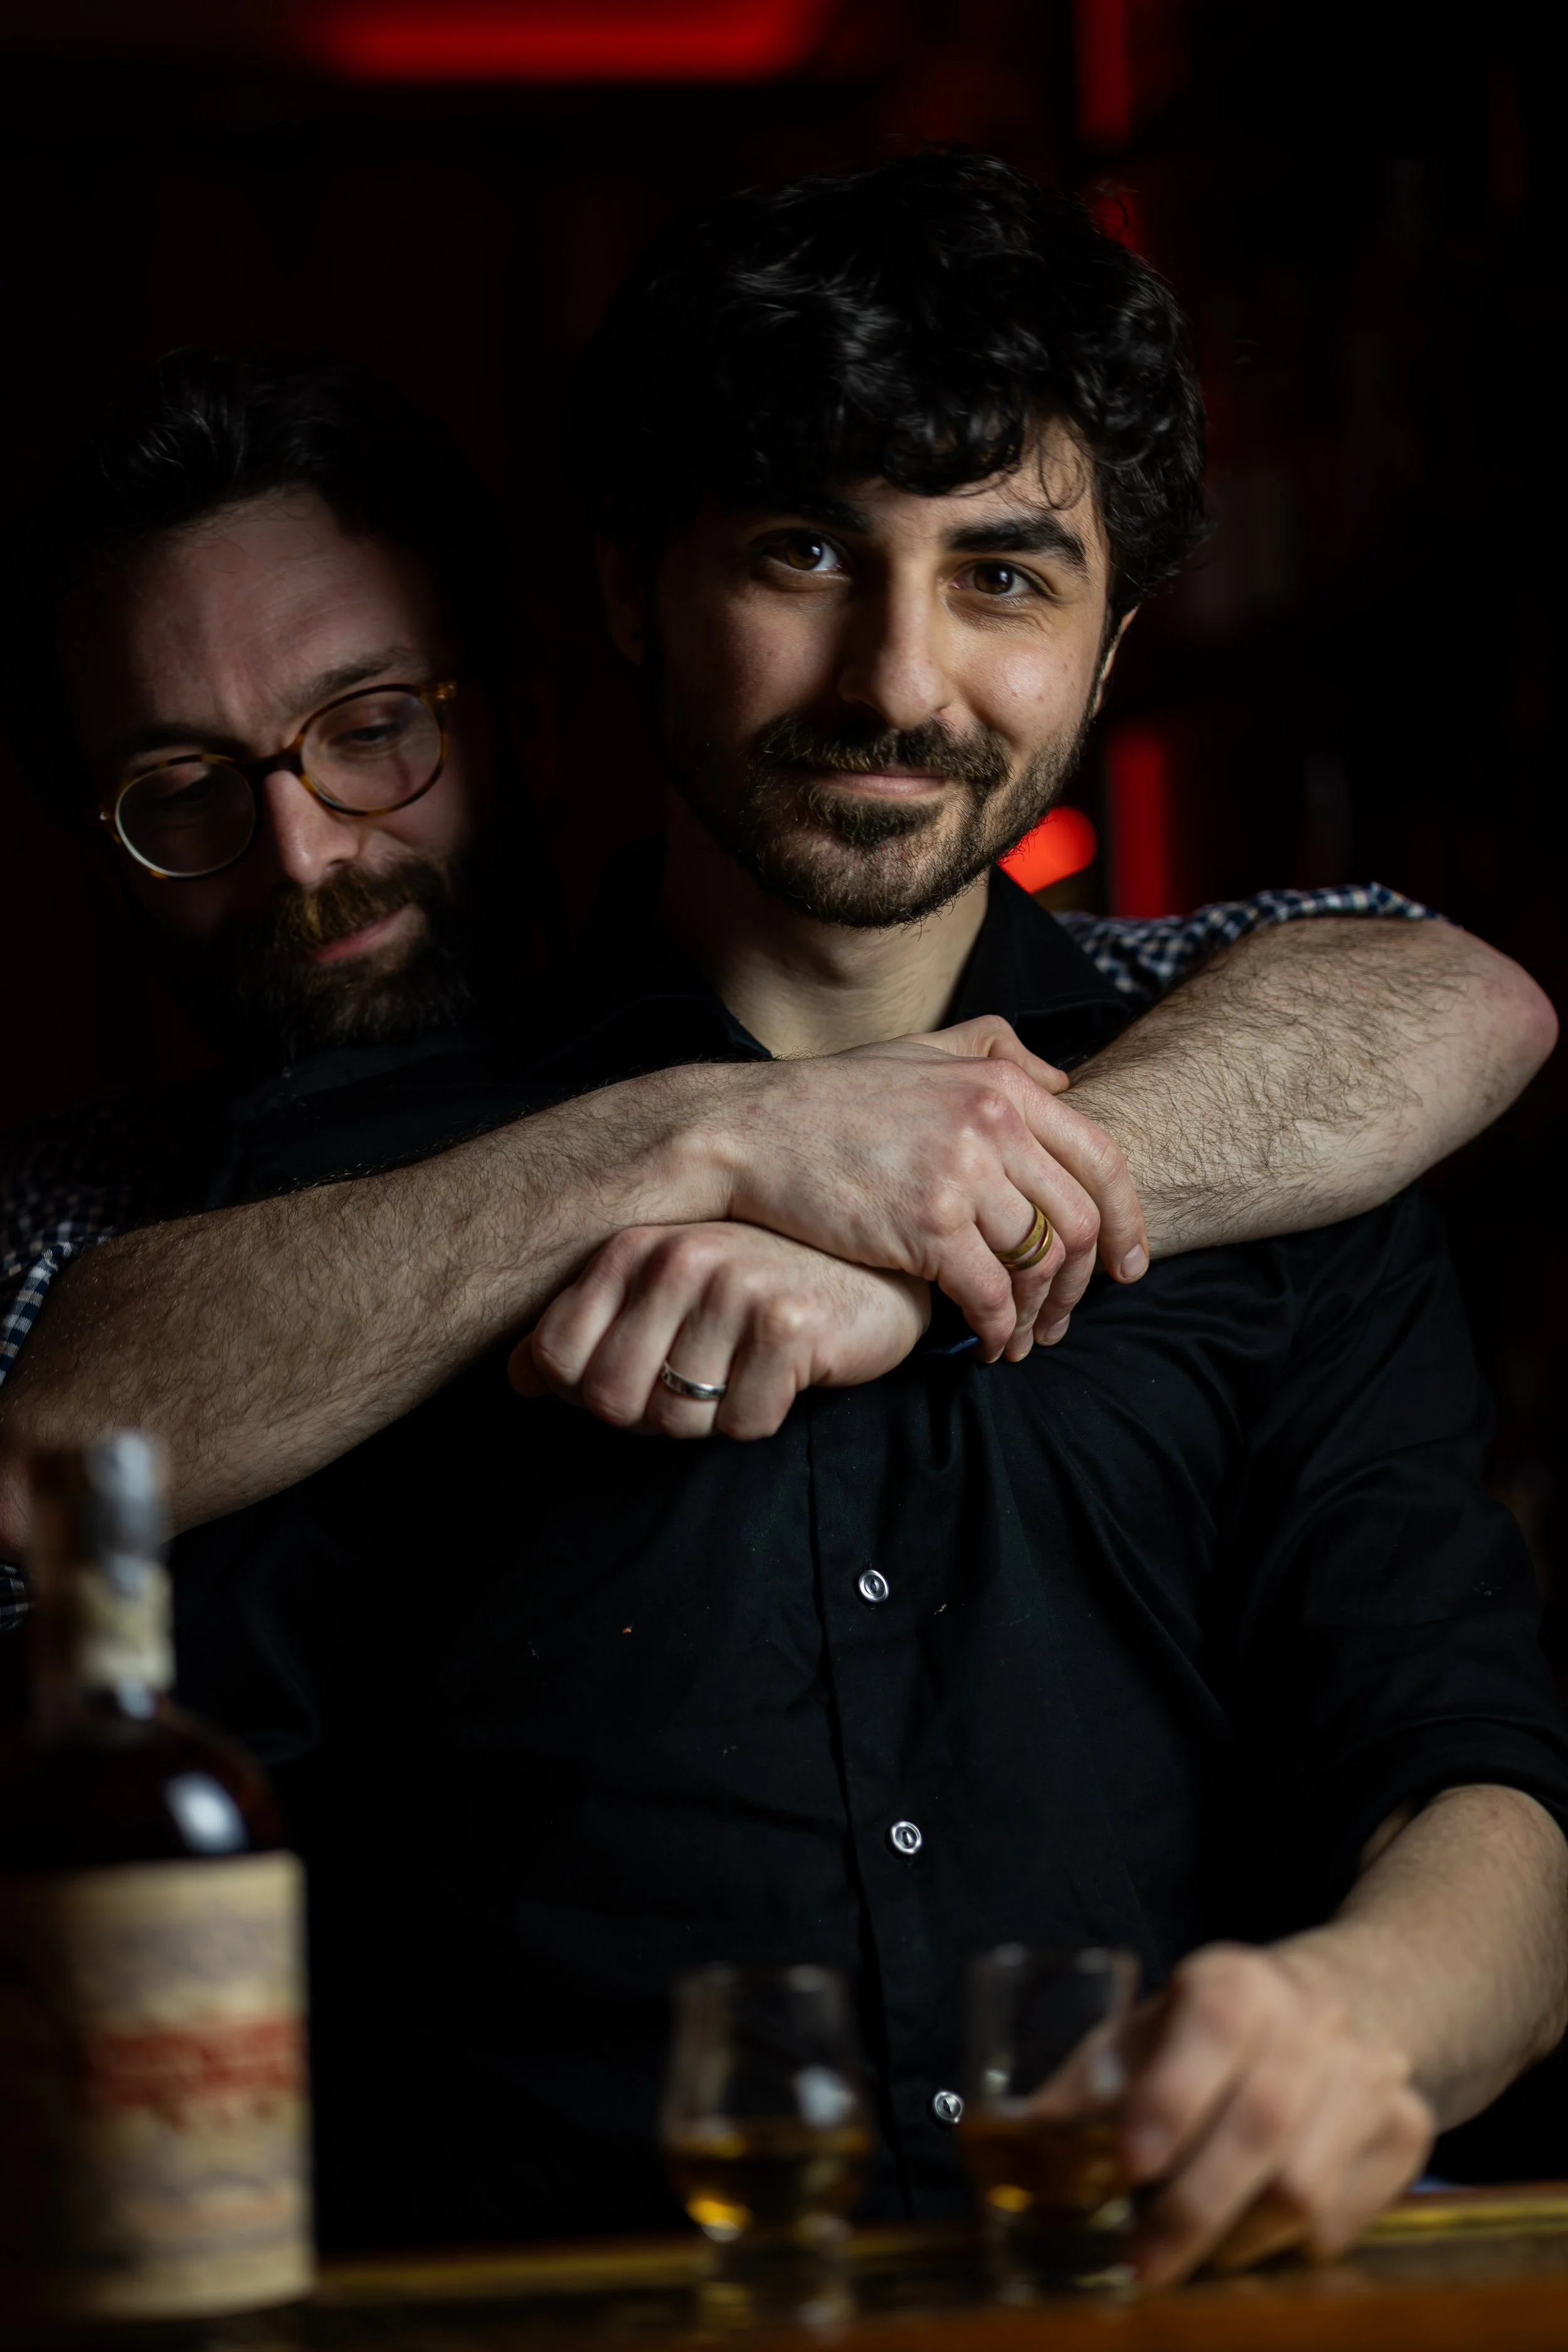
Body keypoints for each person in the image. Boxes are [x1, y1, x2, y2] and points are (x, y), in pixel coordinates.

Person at [43, 151, 1556, 2282]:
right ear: (630, 591)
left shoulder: (1280, 1141)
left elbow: (1481, 1801)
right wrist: (691, 1145)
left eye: (1006, 579)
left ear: (1114, 643)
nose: (900, 677)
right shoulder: (347, 1196)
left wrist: (1357, 2014)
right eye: (800, 553)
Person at [0, 348, 1550, 1572]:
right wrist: (714, 1137)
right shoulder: (83, 1208)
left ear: (520, 725)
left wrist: (967, 1223)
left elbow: (1438, 989)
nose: (306, 852)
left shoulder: (1003, 1041)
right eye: (182, 793)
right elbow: (38, 1459)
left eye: (370, 730)